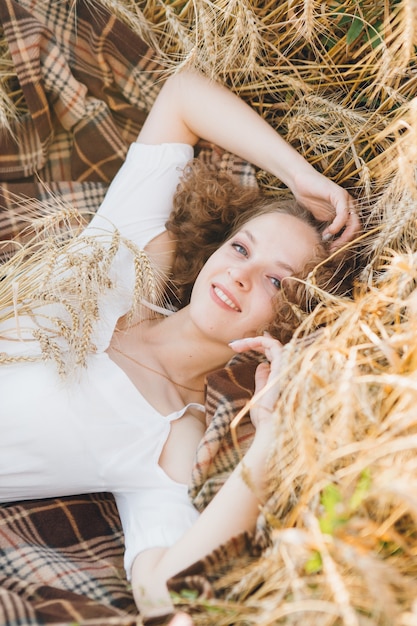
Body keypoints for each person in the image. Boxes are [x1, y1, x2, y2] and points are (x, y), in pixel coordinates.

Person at [0, 70, 360, 623]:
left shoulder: (170, 436)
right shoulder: (124, 263)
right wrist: (299, 175)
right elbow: (182, 97)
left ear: (288, 326)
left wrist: (269, 438)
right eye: (242, 248)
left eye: (277, 281)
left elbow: (164, 593)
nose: (242, 274)